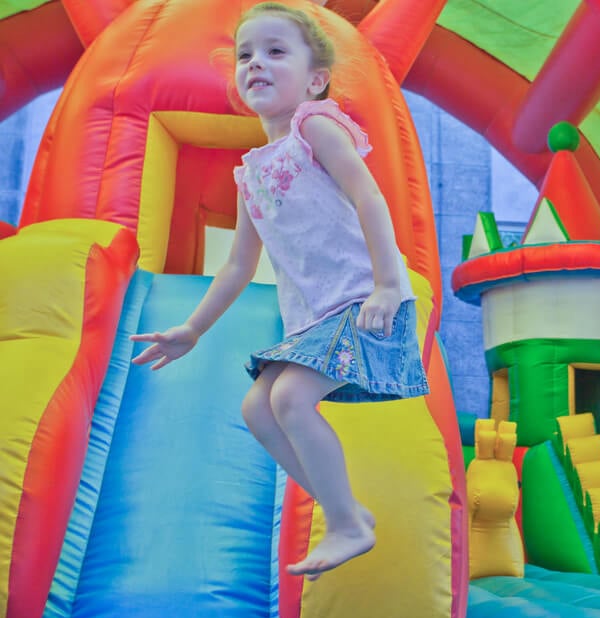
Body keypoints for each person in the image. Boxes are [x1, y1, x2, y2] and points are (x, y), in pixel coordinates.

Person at [130, 2, 428, 580]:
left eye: (274, 51)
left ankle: (346, 522)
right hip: (316, 319)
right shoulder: (251, 173)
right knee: (258, 410)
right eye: (245, 55)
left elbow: (369, 196)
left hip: (363, 301)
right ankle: (349, 512)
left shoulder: (314, 126)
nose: (255, 63)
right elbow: (238, 267)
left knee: (289, 399)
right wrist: (192, 329)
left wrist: (388, 285)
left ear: (315, 80)